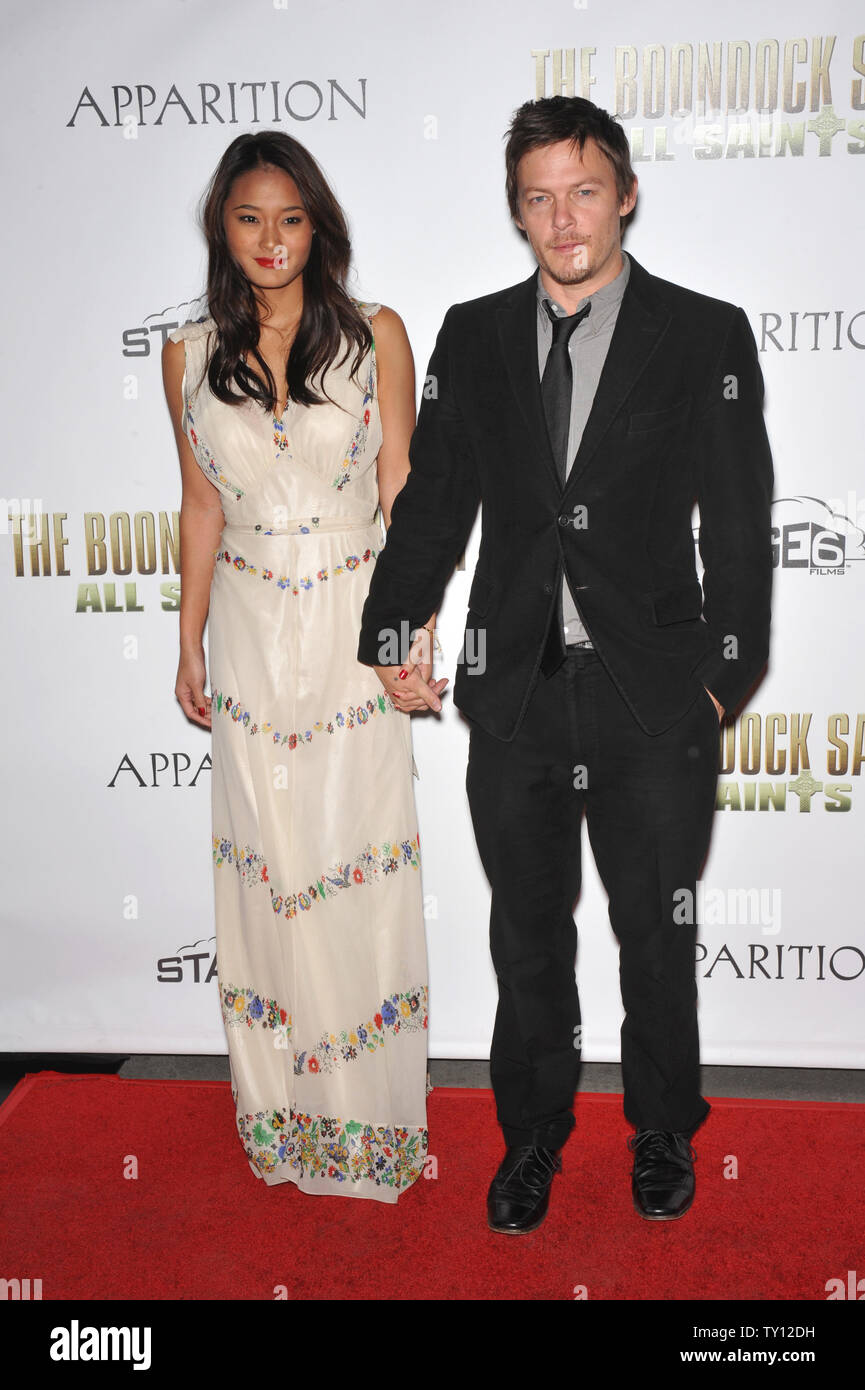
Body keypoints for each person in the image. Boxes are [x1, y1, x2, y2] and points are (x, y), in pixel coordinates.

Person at [357, 96, 773, 1231]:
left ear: (625, 193)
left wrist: (718, 681)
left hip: (653, 697)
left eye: (584, 190)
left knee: (655, 932)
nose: (563, 217)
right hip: (518, 695)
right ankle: (531, 1136)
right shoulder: (473, 334)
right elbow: (433, 505)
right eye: (538, 196)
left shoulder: (702, 335)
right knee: (525, 933)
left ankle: (659, 1132)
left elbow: (738, 527)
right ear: (516, 210)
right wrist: (397, 628)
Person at [163, 130, 433, 1202]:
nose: (270, 239)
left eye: (289, 217)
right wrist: (184, 636)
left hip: (353, 622)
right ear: (221, 230)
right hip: (246, 630)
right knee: (269, 871)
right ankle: (284, 1117)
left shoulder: (377, 336)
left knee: (353, 865)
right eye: (248, 218)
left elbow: (403, 486)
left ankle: (367, 1122)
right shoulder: (185, 355)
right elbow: (196, 507)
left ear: (315, 225)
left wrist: (410, 628)